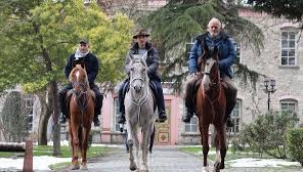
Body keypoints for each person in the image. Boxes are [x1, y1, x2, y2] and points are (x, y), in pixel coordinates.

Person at [181, 17, 237, 127]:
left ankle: (228, 115)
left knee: (233, 90)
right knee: (188, 85)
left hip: (222, 72)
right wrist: (193, 70)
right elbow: (192, 56)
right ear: (208, 28)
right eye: (212, 27)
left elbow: (232, 56)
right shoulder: (199, 40)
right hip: (202, 72)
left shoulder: (227, 40)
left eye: (216, 27)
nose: (214, 29)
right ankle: (189, 112)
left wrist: (219, 65)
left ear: (220, 29)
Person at [117, 29, 167, 124]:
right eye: (140, 37)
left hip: (150, 77)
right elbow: (127, 65)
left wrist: (145, 71)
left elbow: (155, 63)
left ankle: (161, 112)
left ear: (146, 38)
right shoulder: (131, 51)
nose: (142, 39)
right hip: (135, 78)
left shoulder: (152, 51)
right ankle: (122, 113)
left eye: (143, 37)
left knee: (158, 88)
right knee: (121, 89)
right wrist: (131, 71)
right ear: (137, 39)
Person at [59, 39, 103, 127]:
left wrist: (87, 80)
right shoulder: (72, 57)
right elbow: (67, 69)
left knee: (99, 95)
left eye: (84, 45)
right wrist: (71, 79)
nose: (83, 47)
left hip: (88, 84)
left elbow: (94, 71)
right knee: (61, 93)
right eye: (81, 45)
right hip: (74, 83)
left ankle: (96, 116)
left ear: (88, 46)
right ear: (79, 46)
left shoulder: (93, 58)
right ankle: (63, 115)